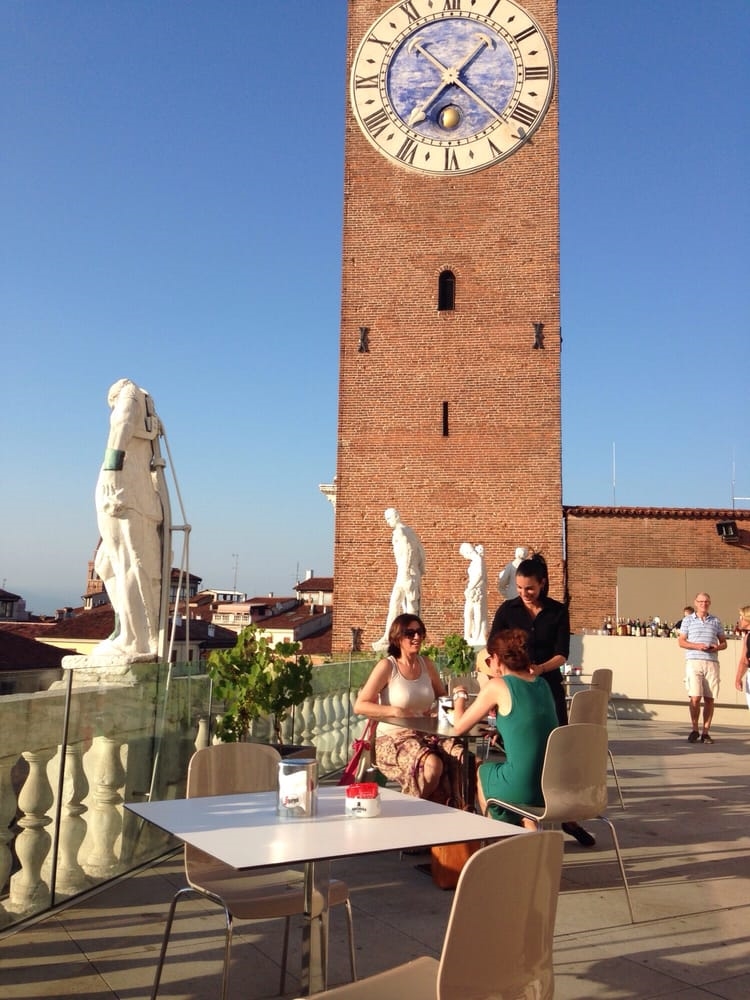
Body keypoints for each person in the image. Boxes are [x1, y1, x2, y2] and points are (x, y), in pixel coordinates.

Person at [490, 552, 595, 847]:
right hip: (515, 691)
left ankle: (568, 817)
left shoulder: (557, 612)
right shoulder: (508, 610)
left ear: (543, 584)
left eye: (530, 588)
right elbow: (492, 647)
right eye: (520, 588)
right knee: (521, 753)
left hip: (547, 686)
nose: (524, 594)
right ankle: (523, 815)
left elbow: (563, 652)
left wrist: (541, 668)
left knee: (558, 753)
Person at [354, 613, 465, 806]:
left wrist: (442, 709)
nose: (417, 637)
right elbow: (360, 705)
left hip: (428, 733)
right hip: (392, 738)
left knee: (461, 757)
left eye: (420, 632)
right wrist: (395, 711)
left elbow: (442, 696)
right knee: (433, 764)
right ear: (397, 637)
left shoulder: (427, 664)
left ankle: (456, 808)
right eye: (410, 633)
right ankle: (413, 808)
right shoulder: (387, 666)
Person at [92, 379, 166, 662]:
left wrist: (112, 468)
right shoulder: (149, 414)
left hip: (123, 493)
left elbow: (121, 422)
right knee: (107, 563)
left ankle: (134, 639)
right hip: (132, 495)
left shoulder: (129, 392)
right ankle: (125, 627)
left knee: (128, 563)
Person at [452, 629, 557, 825]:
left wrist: (459, 696)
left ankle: (494, 834)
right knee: (506, 771)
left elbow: (459, 727)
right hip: (549, 785)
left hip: (522, 785)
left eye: (488, 660)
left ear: (497, 658)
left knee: (482, 771)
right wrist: (501, 729)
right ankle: (528, 827)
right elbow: (530, 724)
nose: (489, 665)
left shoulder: (497, 686)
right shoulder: (542, 684)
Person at [372, 508, 426, 651]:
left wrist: (408, 570)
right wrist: (420, 569)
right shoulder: (410, 531)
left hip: (406, 572)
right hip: (409, 572)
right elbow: (421, 552)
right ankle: (389, 637)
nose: (388, 522)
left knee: (408, 606)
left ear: (395, 516)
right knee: (398, 604)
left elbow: (409, 550)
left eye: (389, 519)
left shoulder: (400, 532)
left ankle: (412, 636)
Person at [678, 593, 726, 744]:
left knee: (710, 698)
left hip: (711, 661)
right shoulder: (687, 620)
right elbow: (681, 642)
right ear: (696, 603)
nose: (703, 604)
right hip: (694, 661)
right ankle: (694, 729)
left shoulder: (716, 621)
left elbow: (724, 643)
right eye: (701, 601)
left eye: (706, 601)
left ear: (709, 603)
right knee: (695, 696)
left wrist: (716, 647)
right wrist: (697, 646)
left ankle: (706, 732)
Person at [459, 542, 488, 646]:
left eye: (464, 555)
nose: (465, 557)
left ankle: (477, 635)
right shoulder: (474, 561)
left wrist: (470, 587)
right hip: (472, 590)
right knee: (468, 613)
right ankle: (467, 636)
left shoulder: (478, 560)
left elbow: (480, 575)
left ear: (467, 551)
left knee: (477, 613)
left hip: (476, 590)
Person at [734, 605, 750, 709]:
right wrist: (738, 678)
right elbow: (744, 660)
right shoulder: (747, 636)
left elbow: (744, 660)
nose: (739, 620)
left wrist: (738, 678)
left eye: (741, 617)